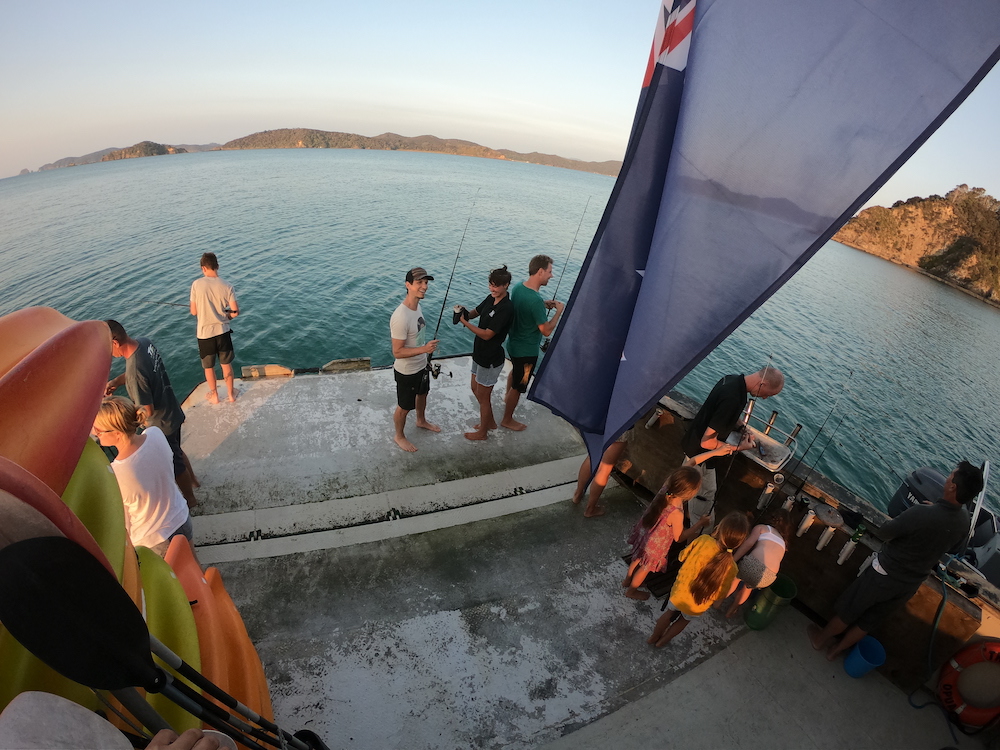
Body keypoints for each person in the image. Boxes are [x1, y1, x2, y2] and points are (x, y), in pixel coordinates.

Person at [808, 461, 983, 660]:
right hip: (910, 584)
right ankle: (835, 651)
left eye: (951, 475)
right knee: (869, 621)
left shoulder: (922, 513)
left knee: (849, 610)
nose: (947, 478)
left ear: (953, 486)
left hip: (884, 574)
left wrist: (925, 514)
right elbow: (954, 547)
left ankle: (820, 639)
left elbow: (885, 532)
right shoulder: (963, 522)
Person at [104, 320, 197, 508]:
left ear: (115, 342)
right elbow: (136, 374)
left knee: (175, 465)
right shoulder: (144, 343)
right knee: (177, 451)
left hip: (161, 424)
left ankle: (191, 501)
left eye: (107, 348)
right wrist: (117, 381)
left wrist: (121, 415)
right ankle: (195, 481)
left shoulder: (134, 371)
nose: (109, 354)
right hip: (172, 410)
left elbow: (147, 410)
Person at [680, 367, 785, 532]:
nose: (765, 398)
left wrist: (742, 426)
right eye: (767, 394)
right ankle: (696, 545)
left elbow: (723, 413)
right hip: (701, 457)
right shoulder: (733, 398)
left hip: (693, 445)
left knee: (694, 495)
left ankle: (685, 521)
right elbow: (707, 442)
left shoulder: (732, 380)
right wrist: (742, 447)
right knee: (704, 503)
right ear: (762, 383)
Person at [93, 396, 193, 557]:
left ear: (117, 433)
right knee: (193, 567)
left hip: (154, 540)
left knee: (174, 581)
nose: (95, 433)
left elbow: (123, 519)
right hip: (180, 516)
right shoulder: (155, 433)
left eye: (98, 430)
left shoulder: (116, 472)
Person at [647, 511, 750, 647]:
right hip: (698, 603)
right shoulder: (732, 568)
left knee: (669, 613)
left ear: (719, 528)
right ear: (739, 542)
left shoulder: (703, 541)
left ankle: (654, 637)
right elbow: (720, 594)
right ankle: (663, 641)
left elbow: (681, 557)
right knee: (683, 621)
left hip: (680, 592)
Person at [501, 254, 565, 431]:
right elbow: (546, 330)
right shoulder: (535, 300)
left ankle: (507, 398)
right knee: (520, 385)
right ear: (540, 271)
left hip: (513, 345)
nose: (551, 275)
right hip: (527, 351)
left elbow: (524, 307)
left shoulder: (519, 287)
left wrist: (544, 305)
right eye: (550, 272)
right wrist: (559, 311)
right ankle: (507, 419)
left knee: (516, 370)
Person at [622, 466, 703, 599]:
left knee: (637, 557)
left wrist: (715, 452)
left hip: (645, 532)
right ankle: (631, 591)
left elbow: (692, 462)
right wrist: (699, 524)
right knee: (644, 568)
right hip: (655, 546)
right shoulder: (677, 512)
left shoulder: (666, 488)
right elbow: (679, 537)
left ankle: (627, 580)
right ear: (689, 494)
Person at [457, 266, 514, 441]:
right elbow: (476, 312)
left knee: (484, 396)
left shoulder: (506, 308)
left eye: (496, 286)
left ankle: (483, 432)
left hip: (491, 358)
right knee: (475, 388)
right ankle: (489, 422)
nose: (492, 289)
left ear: (506, 285)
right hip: (479, 353)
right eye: (490, 284)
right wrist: (464, 313)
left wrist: (464, 323)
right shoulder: (490, 298)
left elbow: (488, 334)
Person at [390, 267, 440, 452]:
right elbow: (397, 352)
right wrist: (424, 349)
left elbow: (416, 337)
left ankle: (421, 421)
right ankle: (399, 436)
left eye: (426, 282)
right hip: (406, 371)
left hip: (421, 365)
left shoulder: (417, 306)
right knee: (404, 407)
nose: (424, 286)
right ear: (408, 285)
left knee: (423, 394)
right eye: (419, 283)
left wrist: (425, 353)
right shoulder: (400, 317)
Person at [723, 507, 792, 617]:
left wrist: (733, 559)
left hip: (752, 565)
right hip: (768, 577)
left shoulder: (762, 528)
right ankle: (732, 609)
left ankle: (718, 602)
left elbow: (748, 544)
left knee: (735, 579)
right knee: (747, 588)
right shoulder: (784, 544)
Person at [190, 252, 239, 404]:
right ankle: (231, 395)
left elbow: (194, 312)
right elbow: (235, 312)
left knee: (209, 367)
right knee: (226, 365)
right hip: (223, 332)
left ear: (203, 268)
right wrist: (227, 317)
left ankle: (215, 396)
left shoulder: (196, 284)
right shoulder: (227, 286)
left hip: (204, 334)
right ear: (217, 266)